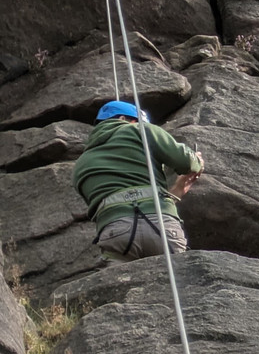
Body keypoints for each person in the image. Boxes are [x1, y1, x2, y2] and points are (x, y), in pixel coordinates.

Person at [73, 100, 203, 262]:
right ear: (122, 118)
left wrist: (175, 193)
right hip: (160, 225)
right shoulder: (141, 130)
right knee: (175, 282)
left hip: (116, 232)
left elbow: (115, 203)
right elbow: (185, 162)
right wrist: (196, 161)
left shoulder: (80, 164)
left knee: (123, 286)